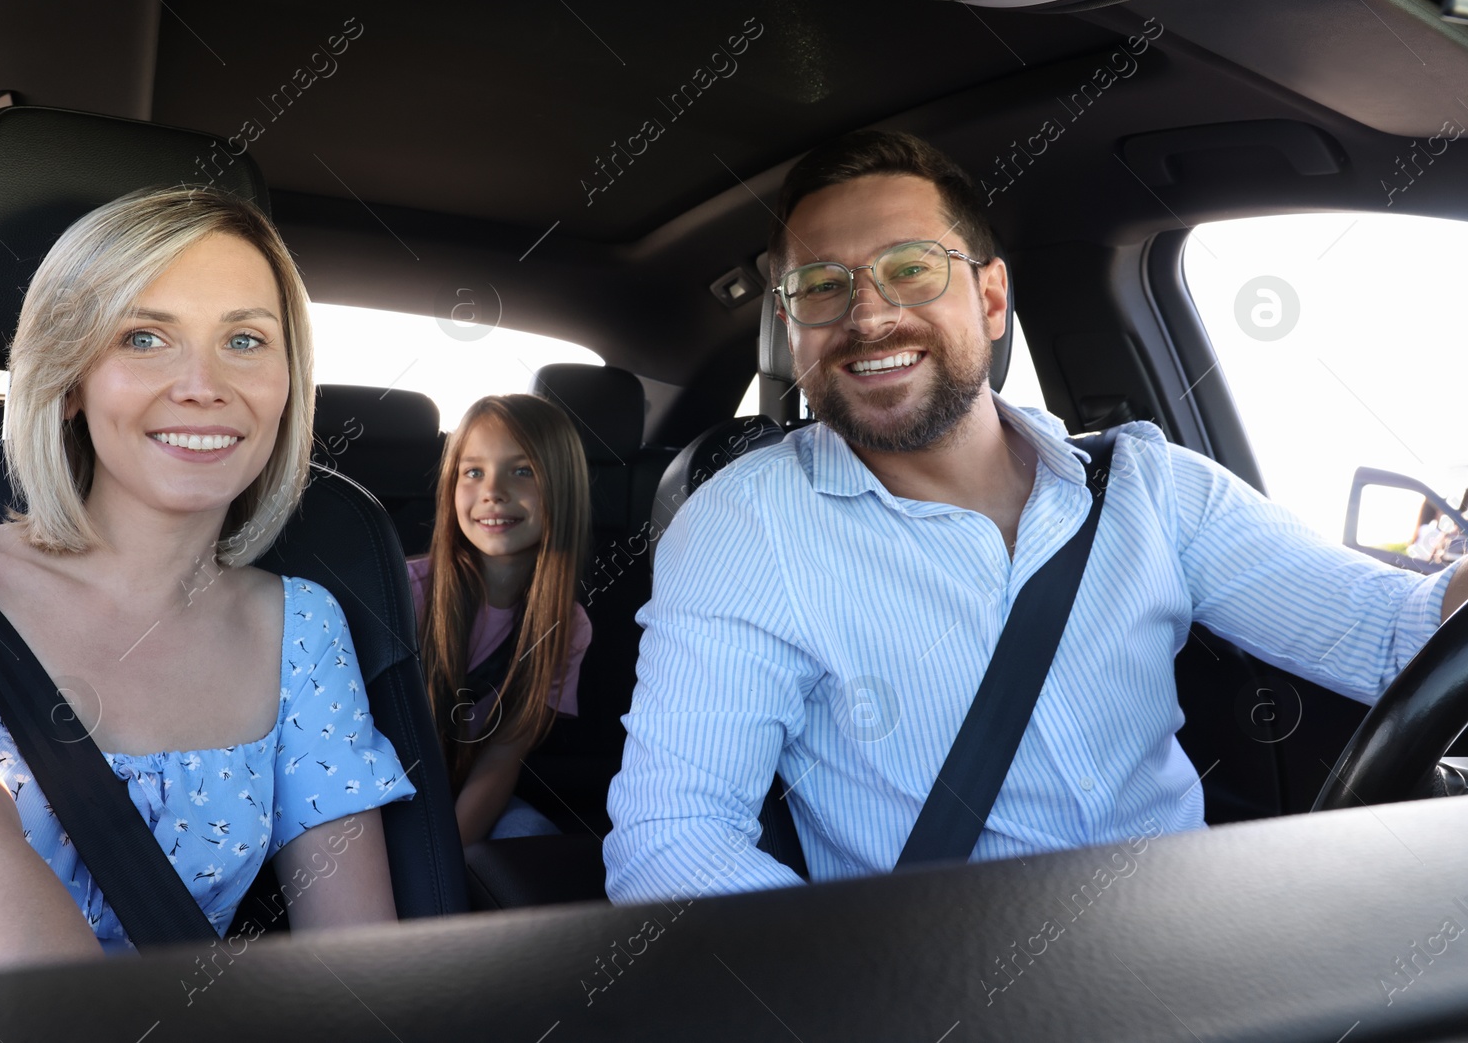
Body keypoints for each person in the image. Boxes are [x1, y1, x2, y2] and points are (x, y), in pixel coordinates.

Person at [603, 130, 1468, 903]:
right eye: (822, 286)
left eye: (910, 268)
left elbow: (1405, 635)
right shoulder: (746, 526)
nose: (868, 315)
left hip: (1206, 959)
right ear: (792, 329)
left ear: (988, 298)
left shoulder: (1151, 487)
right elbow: (671, 847)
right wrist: (875, 1000)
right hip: (947, 998)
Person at [0, 187, 415, 985]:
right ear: (70, 374)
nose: (203, 384)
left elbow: (360, 962)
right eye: (146, 335)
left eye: (246, 340)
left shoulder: (302, 628)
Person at [409, 394, 592, 844]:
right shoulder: (406, 590)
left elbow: (501, 759)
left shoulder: (566, 627)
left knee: (532, 840)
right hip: (379, 798)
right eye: (473, 472)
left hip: (466, 799)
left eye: (523, 471)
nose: (493, 491)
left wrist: (446, 862)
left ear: (562, 486)